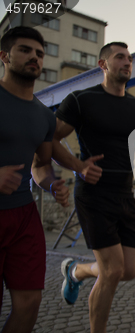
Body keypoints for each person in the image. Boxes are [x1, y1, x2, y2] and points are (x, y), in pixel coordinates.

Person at [50, 42, 135, 333]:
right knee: (112, 270)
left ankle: (76, 270)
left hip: (124, 194)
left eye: (130, 59)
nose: (127, 63)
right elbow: (51, 139)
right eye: (120, 57)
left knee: (127, 271)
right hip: (93, 194)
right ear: (102, 65)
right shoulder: (81, 100)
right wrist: (78, 166)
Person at [0, 26, 69, 333]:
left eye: (39, 53)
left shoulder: (44, 116)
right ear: (4, 56)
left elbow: (40, 165)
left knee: (29, 303)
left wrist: (52, 184)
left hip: (24, 216)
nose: (34, 58)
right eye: (25, 50)